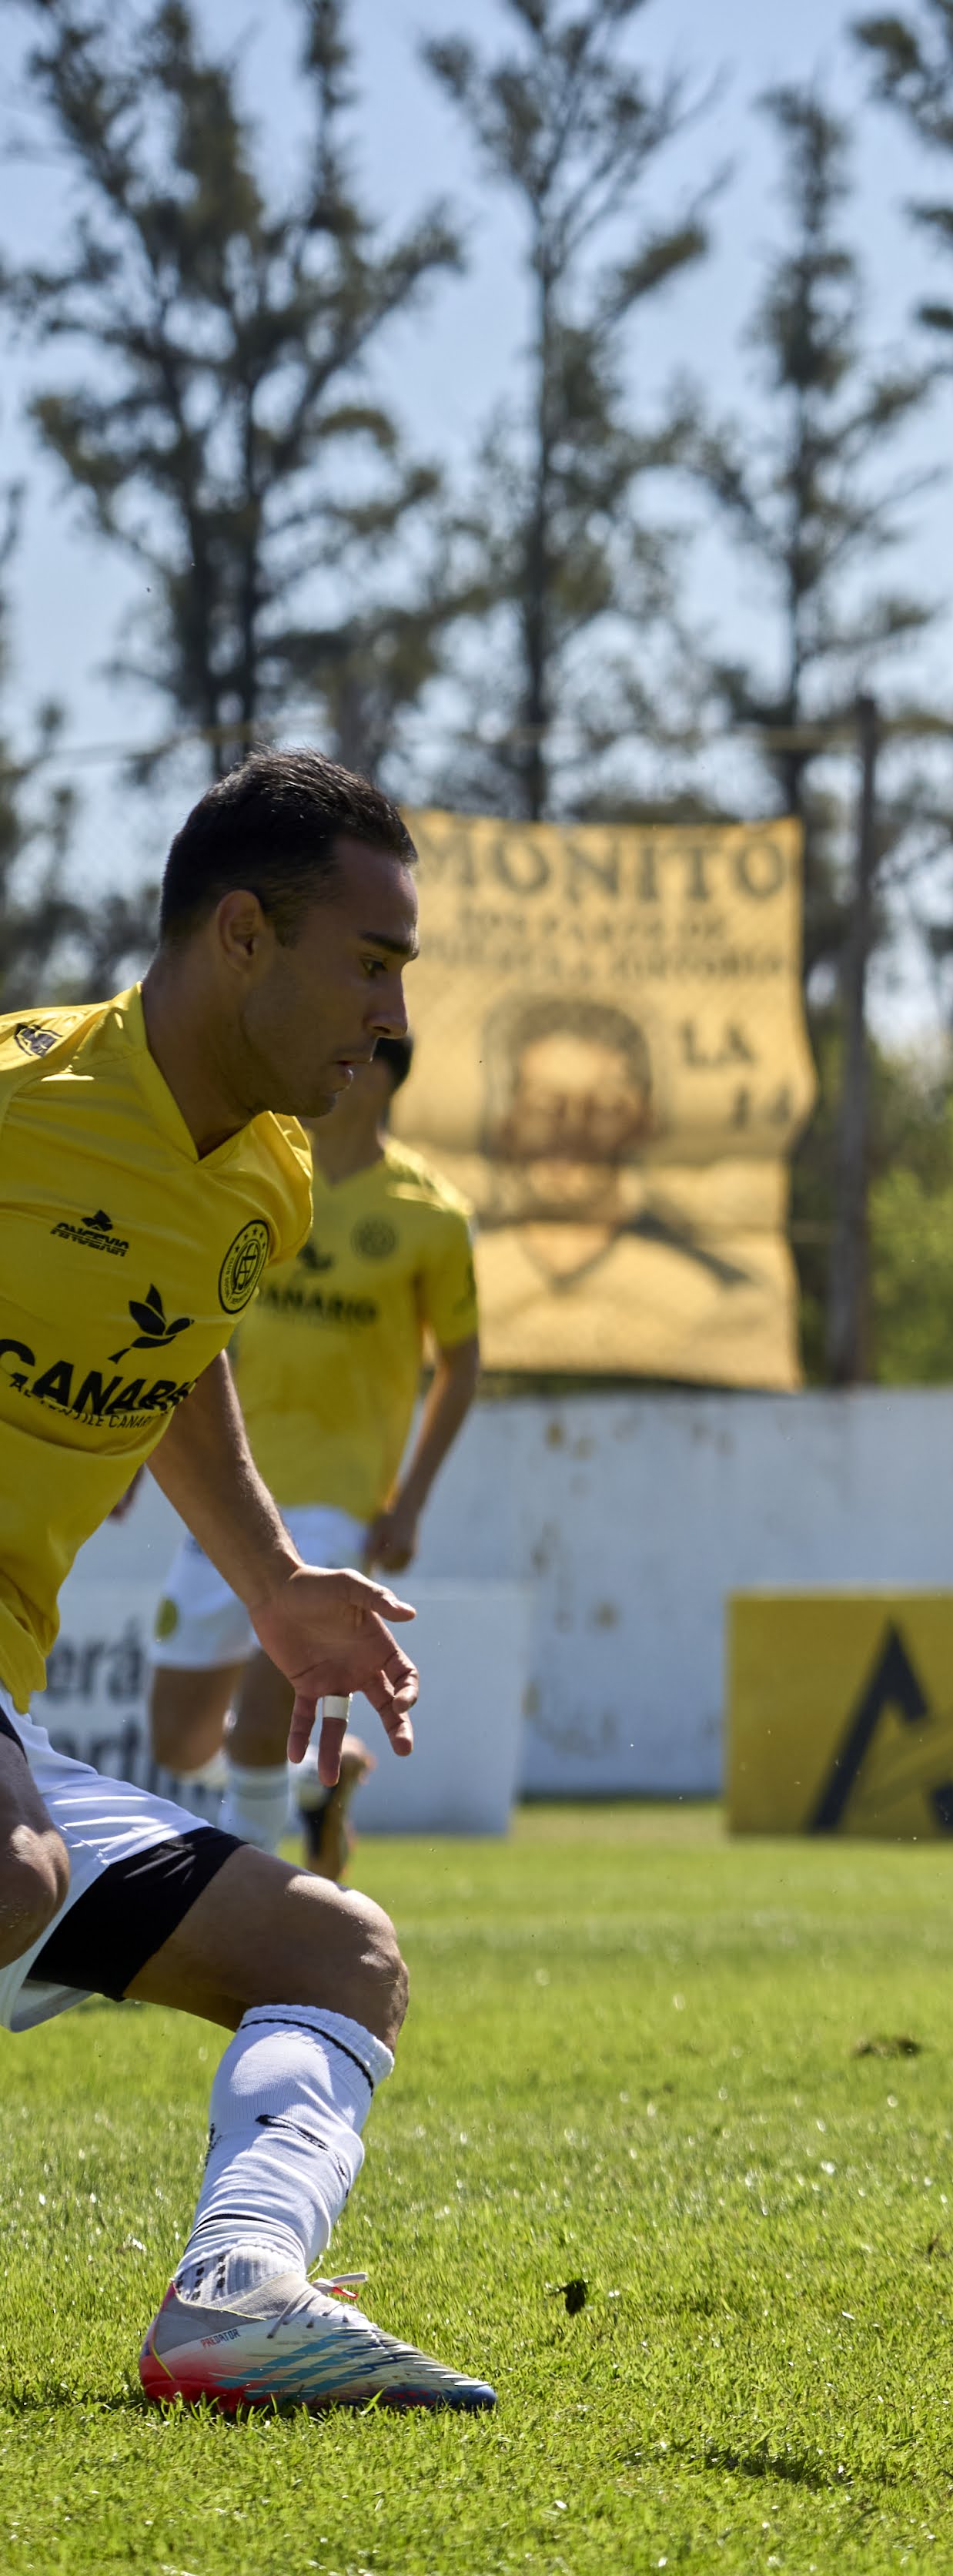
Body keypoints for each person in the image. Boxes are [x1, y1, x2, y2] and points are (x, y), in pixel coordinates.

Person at [0, 749, 490, 2411]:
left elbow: (176, 1351)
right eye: (375, 960)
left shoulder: (271, 1173)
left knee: (339, 1956)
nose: (388, 1012)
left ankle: (235, 2289)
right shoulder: (18, 1100)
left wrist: (275, 1577)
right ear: (241, 937)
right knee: (4, 1871)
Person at [143, 1030, 482, 1882]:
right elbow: (194, 1324)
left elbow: (463, 1362)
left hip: (337, 1506)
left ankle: (243, 1922)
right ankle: (317, 1792)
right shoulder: (260, 1169)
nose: (331, 1060)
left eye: (356, 1052)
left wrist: (409, 1500)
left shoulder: (429, 1213)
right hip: (234, 1488)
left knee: (262, 1721)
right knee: (178, 1739)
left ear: (385, 1078)